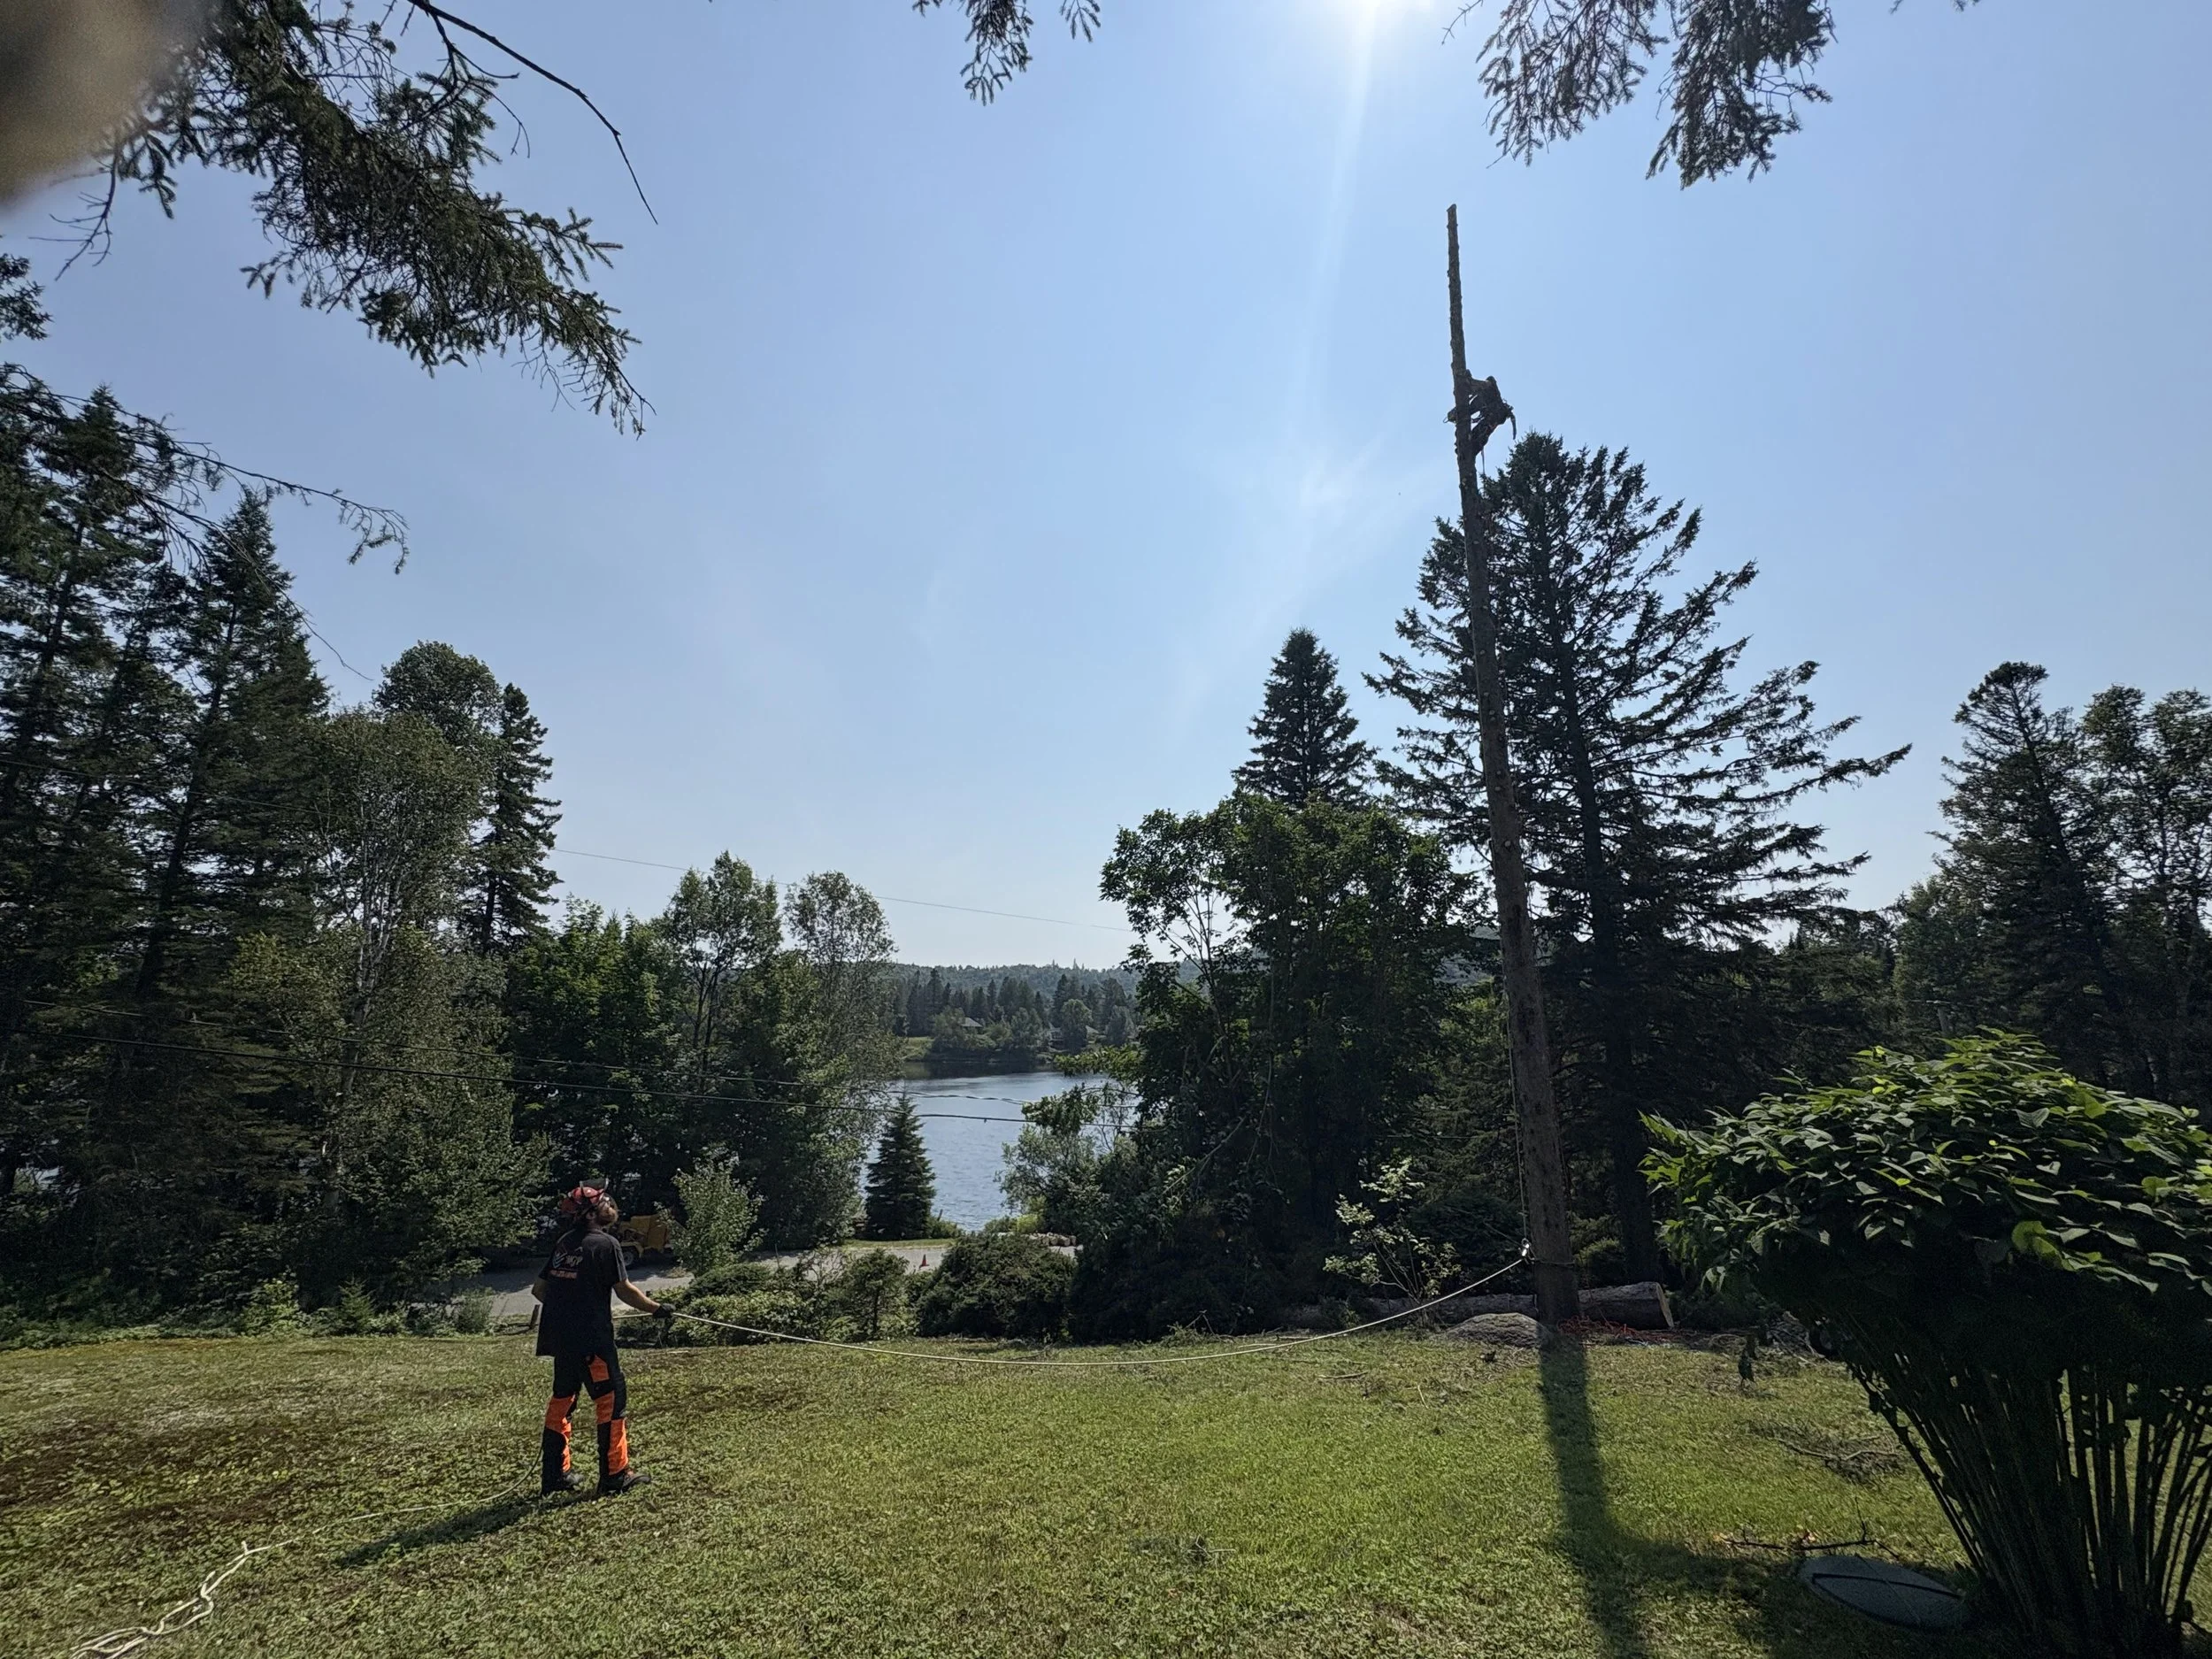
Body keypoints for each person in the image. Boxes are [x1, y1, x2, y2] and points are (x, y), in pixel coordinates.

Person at [531, 1184, 672, 1497]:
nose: (611, 1204)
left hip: (561, 1341)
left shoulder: (565, 1244)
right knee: (610, 1403)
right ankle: (615, 1476)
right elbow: (623, 1290)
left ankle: (555, 1475)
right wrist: (657, 1309)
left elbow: (539, 1290)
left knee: (563, 1401)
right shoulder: (606, 1244)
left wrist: (569, 1304)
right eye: (605, 1201)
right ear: (591, 1213)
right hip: (593, 1342)